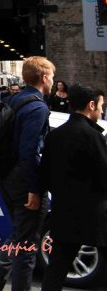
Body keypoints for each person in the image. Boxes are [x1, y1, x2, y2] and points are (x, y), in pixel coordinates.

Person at [0, 56, 55, 291]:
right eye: (52, 76)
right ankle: (5, 284)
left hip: (6, 176)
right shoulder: (37, 107)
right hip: (24, 180)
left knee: (20, 234)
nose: (53, 80)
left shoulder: (14, 99)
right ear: (44, 77)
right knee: (27, 245)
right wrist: (34, 188)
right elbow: (29, 150)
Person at [37, 84, 107, 291]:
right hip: (94, 214)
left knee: (56, 269)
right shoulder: (94, 137)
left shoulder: (55, 136)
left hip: (64, 212)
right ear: (91, 105)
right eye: (101, 106)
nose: (102, 111)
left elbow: (44, 175)